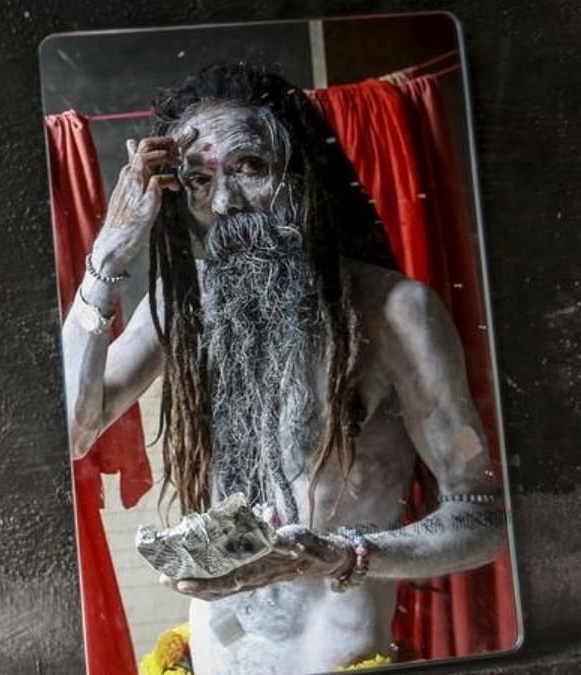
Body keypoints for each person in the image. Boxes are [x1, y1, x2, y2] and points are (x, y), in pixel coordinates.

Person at [60, 63, 506, 674]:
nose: (223, 203)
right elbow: (76, 430)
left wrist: (339, 555)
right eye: (197, 180)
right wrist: (108, 252)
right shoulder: (180, 305)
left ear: (303, 173)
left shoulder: (395, 314)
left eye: (250, 168)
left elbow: (481, 516)